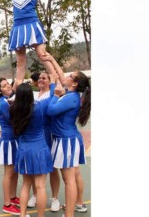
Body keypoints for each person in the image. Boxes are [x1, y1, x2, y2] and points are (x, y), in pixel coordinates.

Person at [47, 71, 91, 217]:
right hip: (66, 138)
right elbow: (59, 74)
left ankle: (70, 214)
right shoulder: (71, 95)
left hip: (66, 140)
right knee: (72, 176)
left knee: (69, 179)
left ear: (75, 83)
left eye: (69, 76)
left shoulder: (70, 98)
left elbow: (51, 111)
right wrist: (50, 59)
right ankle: (75, 205)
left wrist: (55, 95)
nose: (65, 77)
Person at [10, 83, 54, 217]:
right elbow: (53, 95)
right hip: (39, 148)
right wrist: (52, 82)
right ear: (31, 94)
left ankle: (22, 214)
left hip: (24, 149)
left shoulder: (13, 109)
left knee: (26, 184)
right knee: (40, 186)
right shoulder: (39, 107)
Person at [25, 71, 62, 211]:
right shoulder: (33, 95)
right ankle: (35, 194)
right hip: (34, 135)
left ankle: (55, 198)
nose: (41, 80)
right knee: (35, 167)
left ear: (50, 81)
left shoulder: (53, 94)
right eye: (39, 78)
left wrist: (54, 81)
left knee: (52, 167)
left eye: (44, 78)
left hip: (48, 132)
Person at [0, 78, 20, 215]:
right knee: (9, 173)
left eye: (8, 83)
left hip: (14, 140)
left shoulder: (10, 99)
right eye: (4, 86)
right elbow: (14, 119)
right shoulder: (3, 103)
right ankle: (7, 204)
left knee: (15, 171)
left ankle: (13, 197)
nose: (8, 86)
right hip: (8, 141)